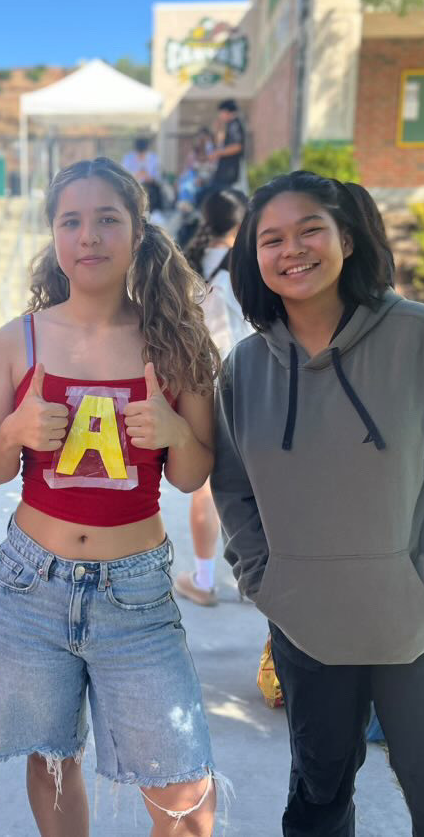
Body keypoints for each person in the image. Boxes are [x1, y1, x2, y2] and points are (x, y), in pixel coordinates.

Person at [211, 171, 424, 835]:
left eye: (310, 229)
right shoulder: (244, 370)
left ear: (346, 237)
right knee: (318, 797)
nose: (292, 250)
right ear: (252, 257)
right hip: (309, 629)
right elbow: (233, 489)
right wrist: (267, 580)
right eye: (272, 239)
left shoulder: (420, 338)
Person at [0, 157, 223, 836]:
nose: (90, 236)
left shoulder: (175, 340)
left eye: (108, 218)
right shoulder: (16, 340)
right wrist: (17, 431)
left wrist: (173, 431)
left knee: (186, 791)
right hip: (30, 588)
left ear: (139, 232)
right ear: (54, 237)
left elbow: (194, 473)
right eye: (71, 221)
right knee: (52, 762)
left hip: (135, 596)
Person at [174, 188, 252, 607]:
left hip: (202, 386)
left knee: (205, 488)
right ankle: (255, 581)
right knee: (259, 486)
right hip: (251, 383)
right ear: (243, 225)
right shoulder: (249, 268)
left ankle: (204, 581)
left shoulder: (184, 265)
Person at [193, 100, 245, 212]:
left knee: (207, 195)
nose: (220, 116)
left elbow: (237, 146)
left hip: (228, 172)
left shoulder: (235, 124)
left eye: (221, 112)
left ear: (226, 112)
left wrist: (218, 153)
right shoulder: (231, 125)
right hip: (224, 172)